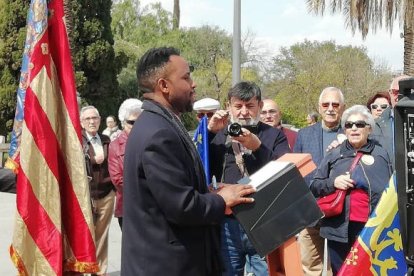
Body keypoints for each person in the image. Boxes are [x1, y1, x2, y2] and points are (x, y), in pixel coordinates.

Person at [121, 47, 256, 276]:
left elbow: (173, 189)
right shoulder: (157, 132)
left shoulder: (161, 123)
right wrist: (222, 200)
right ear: (164, 85)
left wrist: (209, 191)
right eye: (185, 77)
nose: (192, 84)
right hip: (167, 266)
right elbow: (181, 206)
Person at [208, 81, 290, 276]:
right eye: (238, 106)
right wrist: (209, 132)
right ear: (228, 107)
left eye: (250, 106)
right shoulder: (218, 135)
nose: (244, 112)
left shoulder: (274, 135)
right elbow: (200, 166)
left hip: (262, 218)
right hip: (228, 222)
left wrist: (257, 147)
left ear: (260, 106)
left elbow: (285, 172)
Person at [310, 105, 392, 275]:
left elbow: (389, 191)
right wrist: (334, 182)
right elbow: (315, 185)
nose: (354, 128)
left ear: (369, 128)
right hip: (338, 229)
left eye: (360, 124)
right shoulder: (334, 154)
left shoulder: (381, 155)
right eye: (349, 125)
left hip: (370, 229)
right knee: (342, 272)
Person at [293, 86, 346, 276]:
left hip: (341, 210)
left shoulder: (352, 133)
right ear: (320, 107)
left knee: (340, 265)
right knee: (310, 265)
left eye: (335, 104)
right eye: (326, 104)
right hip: (311, 209)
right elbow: (296, 172)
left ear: (343, 107)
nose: (330, 108)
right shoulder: (304, 134)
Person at [81, 105, 115, 275]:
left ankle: (100, 272)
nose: (92, 122)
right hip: (85, 196)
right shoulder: (77, 142)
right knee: (85, 236)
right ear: (82, 122)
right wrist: (93, 159)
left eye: (94, 118)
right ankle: (85, 270)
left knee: (102, 236)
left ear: (100, 120)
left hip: (106, 194)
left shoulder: (107, 140)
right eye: (87, 119)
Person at [108, 98, 142, 230]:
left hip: (153, 207)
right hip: (128, 207)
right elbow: (117, 180)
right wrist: (145, 190)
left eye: (140, 122)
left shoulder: (151, 140)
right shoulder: (115, 146)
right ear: (123, 123)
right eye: (132, 122)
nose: (137, 126)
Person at [371, 74, 411, 167]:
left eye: (405, 92)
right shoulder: (375, 126)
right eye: (395, 92)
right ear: (390, 93)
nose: (400, 96)